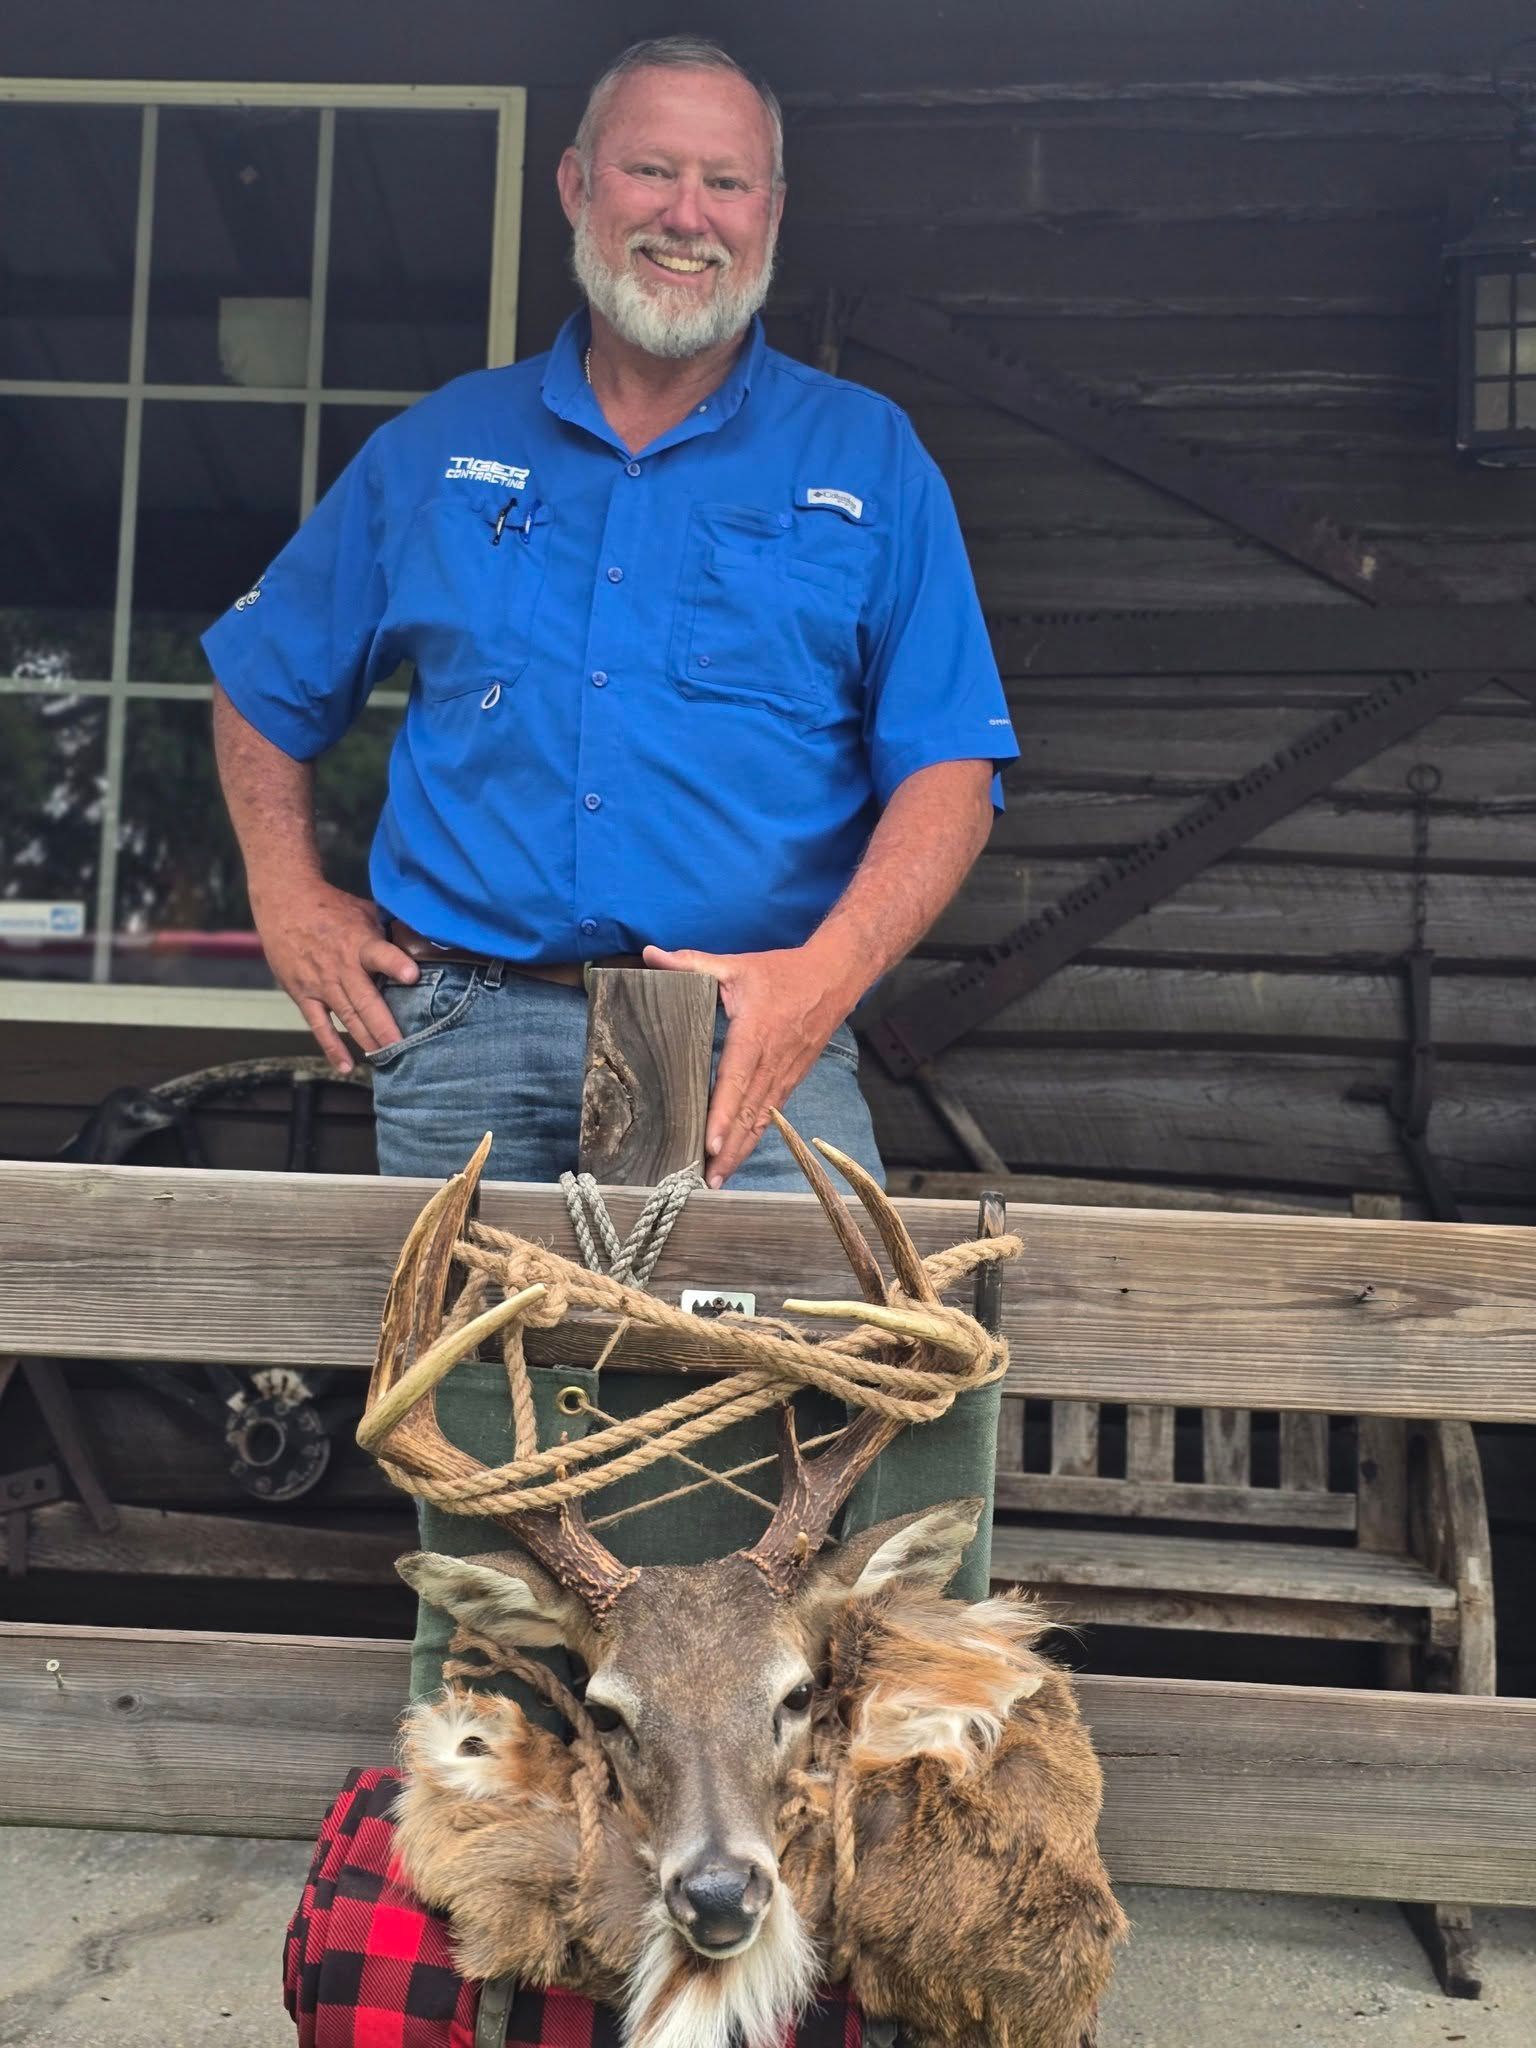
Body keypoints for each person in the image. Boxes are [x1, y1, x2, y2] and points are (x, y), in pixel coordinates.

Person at [205, 36, 1019, 1695]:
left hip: (752, 1041)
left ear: (773, 216)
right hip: (468, 1031)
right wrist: (290, 899)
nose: (687, 215)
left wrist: (819, 985)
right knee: (487, 1473)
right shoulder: (444, 448)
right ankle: (495, 1876)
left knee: (837, 1435)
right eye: (653, 171)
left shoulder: (868, 462)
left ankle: (791, 1877)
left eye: (728, 183)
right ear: (578, 189)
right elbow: (260, 678)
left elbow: (952, 775)